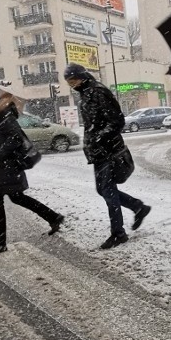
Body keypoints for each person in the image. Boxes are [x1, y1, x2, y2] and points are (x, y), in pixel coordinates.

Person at [63, 63, 151, 249]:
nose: (72, 84)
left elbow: (117, 121)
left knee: (107, 190)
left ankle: (118, 233)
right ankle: (138, 207)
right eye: (69, 82)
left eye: (73, 80)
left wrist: (99, 138)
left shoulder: (98, 92)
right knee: (104, 189)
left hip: (109, 151)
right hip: (100, 152)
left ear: (82, 76)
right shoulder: (86, 93)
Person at [0, 85, 64, 258]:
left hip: (6, 165)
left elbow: (15, 138)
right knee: (16, 197)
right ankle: (53, 217)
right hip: (2, 166)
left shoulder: (0, 113)